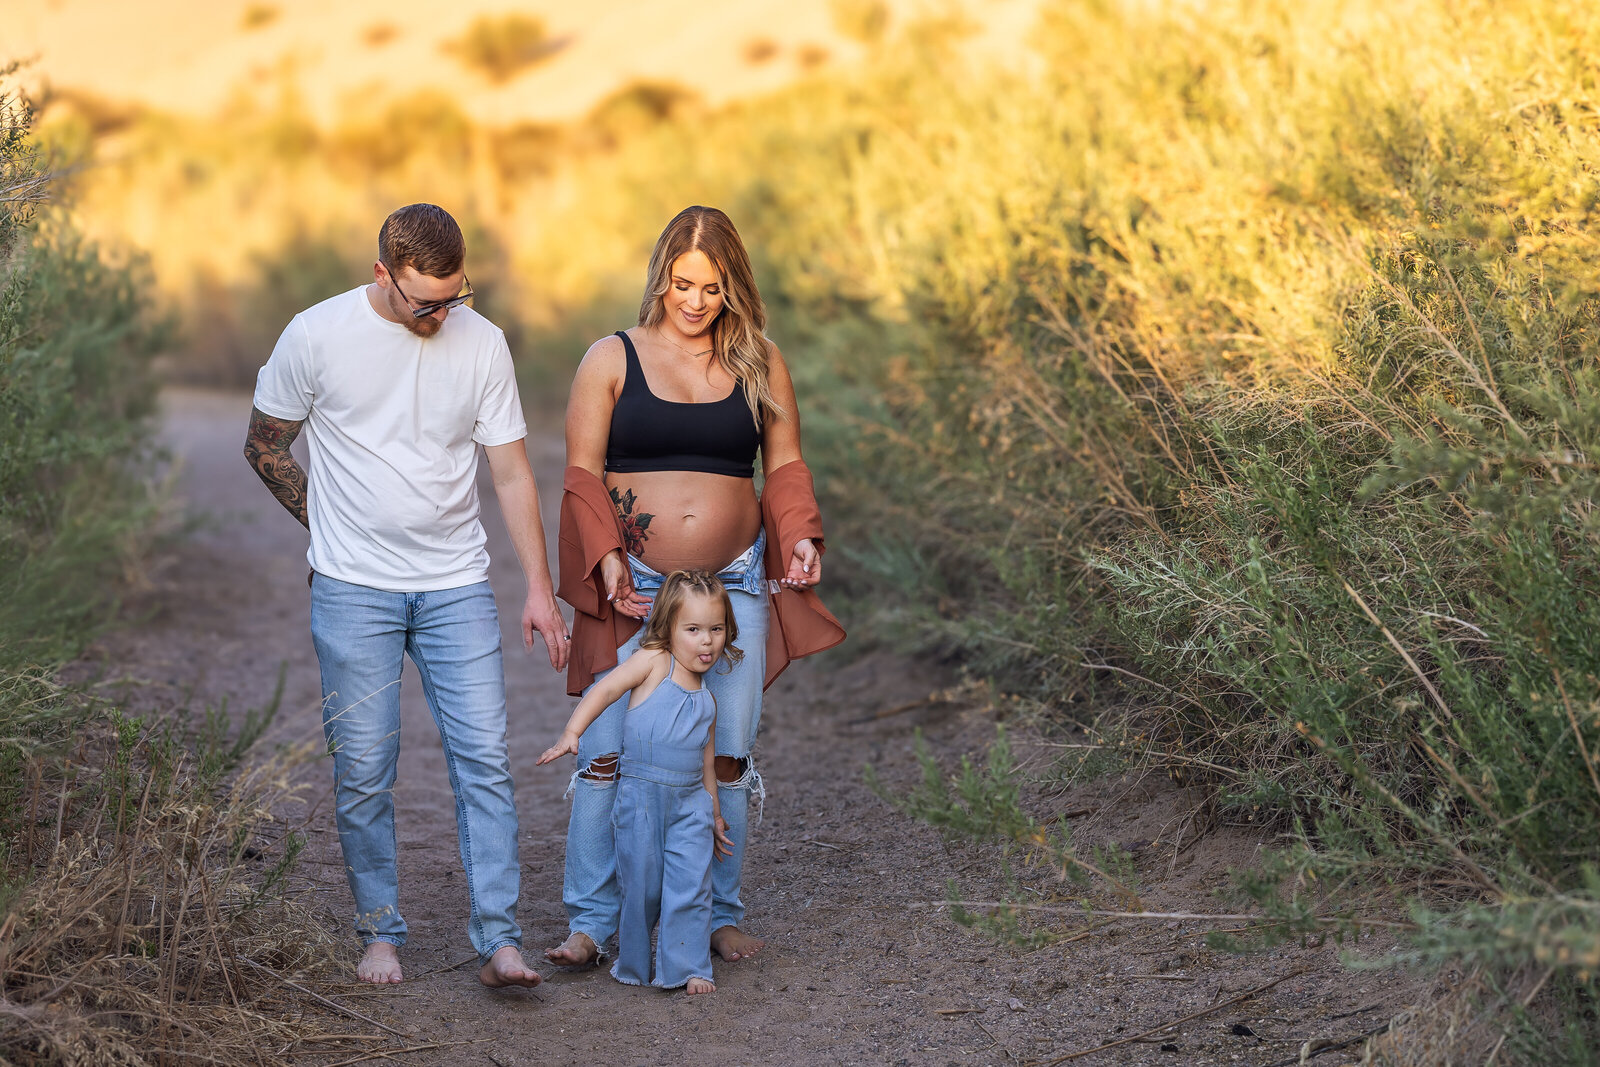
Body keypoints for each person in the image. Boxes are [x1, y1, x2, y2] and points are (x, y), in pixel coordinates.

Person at [243, 203, 567, 987]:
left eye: (456, 296)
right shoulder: (316, 334)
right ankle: (380, 930)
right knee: (364, 767)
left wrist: (540, 588)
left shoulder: (482, 342)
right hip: (354, 589)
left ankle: (499, 938)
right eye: (427, 300)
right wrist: (329, 525)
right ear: (383, 274)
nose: (442, 313)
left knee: (484, 759)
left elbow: (513, 470)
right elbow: (264, 443)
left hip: (457, 582)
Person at [548, 205, 845, 970]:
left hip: (733, 582)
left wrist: (801, 533)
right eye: (682, 283)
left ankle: (714, 912)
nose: (693, 301)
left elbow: (782, 465)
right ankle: (591, 919)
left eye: (711, 288)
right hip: (635, 584)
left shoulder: (758, 362)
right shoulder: (610, 358)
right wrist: (607, 556)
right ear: (660, 277)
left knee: (727, 758)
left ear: (732, 287)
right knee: (607, 755)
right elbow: (582, 472)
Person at [537, 570, 740, 994]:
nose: (707, 641)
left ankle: (688, 967)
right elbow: (605, 690)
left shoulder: (708, 699)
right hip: (641, 801)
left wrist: (715, 814)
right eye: (694, 629)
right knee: (642, 888)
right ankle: (633, 963)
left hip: (691, 806)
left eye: (716, 629)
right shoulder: (653, 662)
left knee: (691, 886)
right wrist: (573, 732)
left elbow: (706, 762)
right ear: (667, 628)